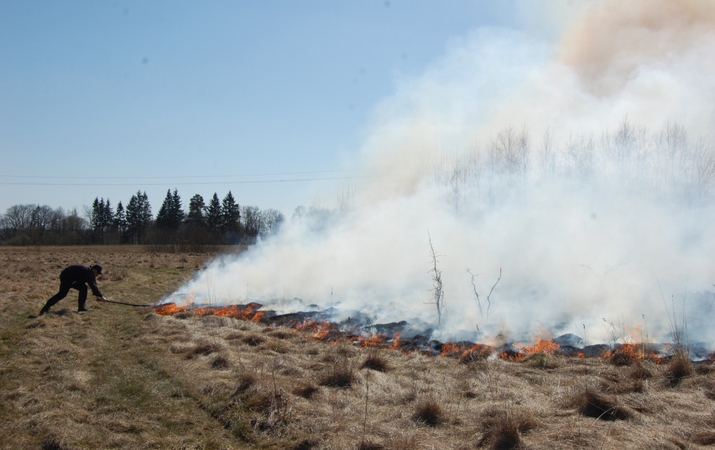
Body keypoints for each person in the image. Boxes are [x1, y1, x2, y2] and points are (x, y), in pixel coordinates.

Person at [39, 264, 108, 315]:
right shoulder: (88, 272)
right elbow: (92, 285)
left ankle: (46, 308)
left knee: (64, 294)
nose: (98, 275)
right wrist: (101, 296)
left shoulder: (90, 272)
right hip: (67, 278)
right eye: (98, 273)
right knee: (81, 288)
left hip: (70, 277)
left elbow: (94, 284)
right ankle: (81, 307)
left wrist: (98, 296)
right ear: (94, 270)